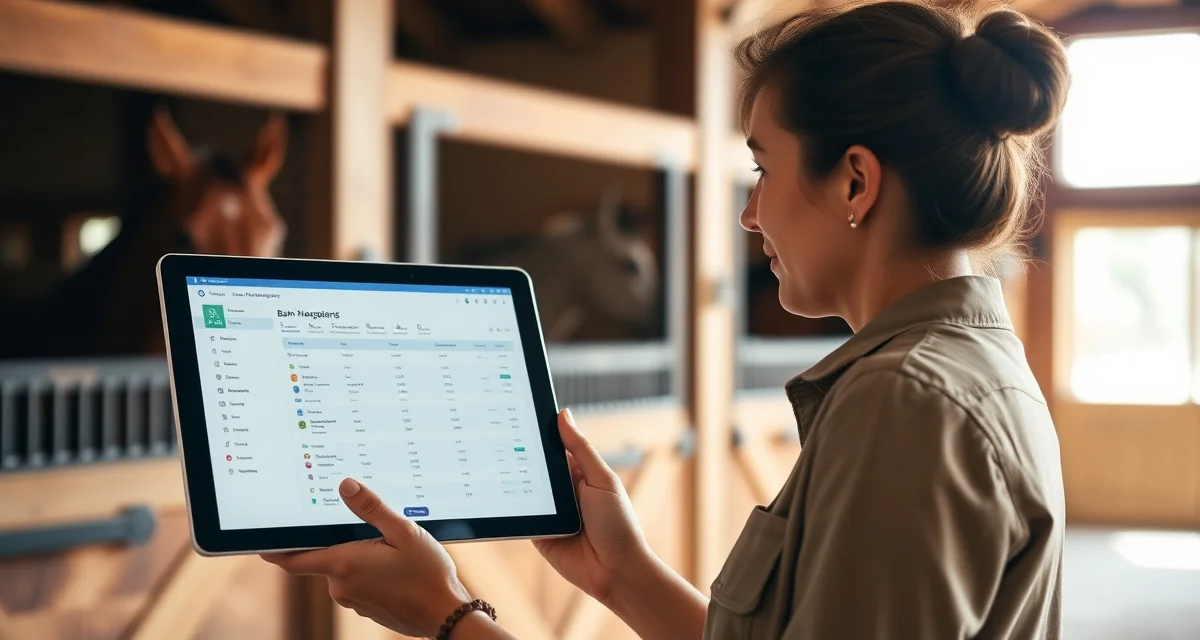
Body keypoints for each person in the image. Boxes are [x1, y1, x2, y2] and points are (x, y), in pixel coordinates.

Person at [263, 0, 1070, 637]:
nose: (750, 215)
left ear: (855, 182)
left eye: (762, 170)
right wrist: (623, 574)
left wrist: (448, 620)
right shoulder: (957, 372)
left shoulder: (908, 401)